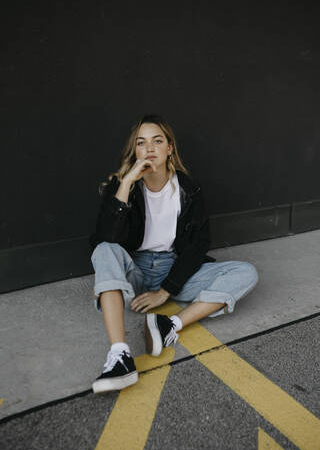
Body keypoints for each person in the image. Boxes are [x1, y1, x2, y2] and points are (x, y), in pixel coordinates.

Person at [89, 113, 259, 393]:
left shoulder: (189, 190)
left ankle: (169, 324)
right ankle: (120, 356)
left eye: (158, 141)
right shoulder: (123, 187)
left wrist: (166, 291)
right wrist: (127, 183)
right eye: (142, 143)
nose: (150, 149)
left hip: (175, 268)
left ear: (170, 148)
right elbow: (106, 239)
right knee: (104, 249)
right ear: (135, 151)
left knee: (246, 272)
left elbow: (198, 246)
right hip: (135, 270)